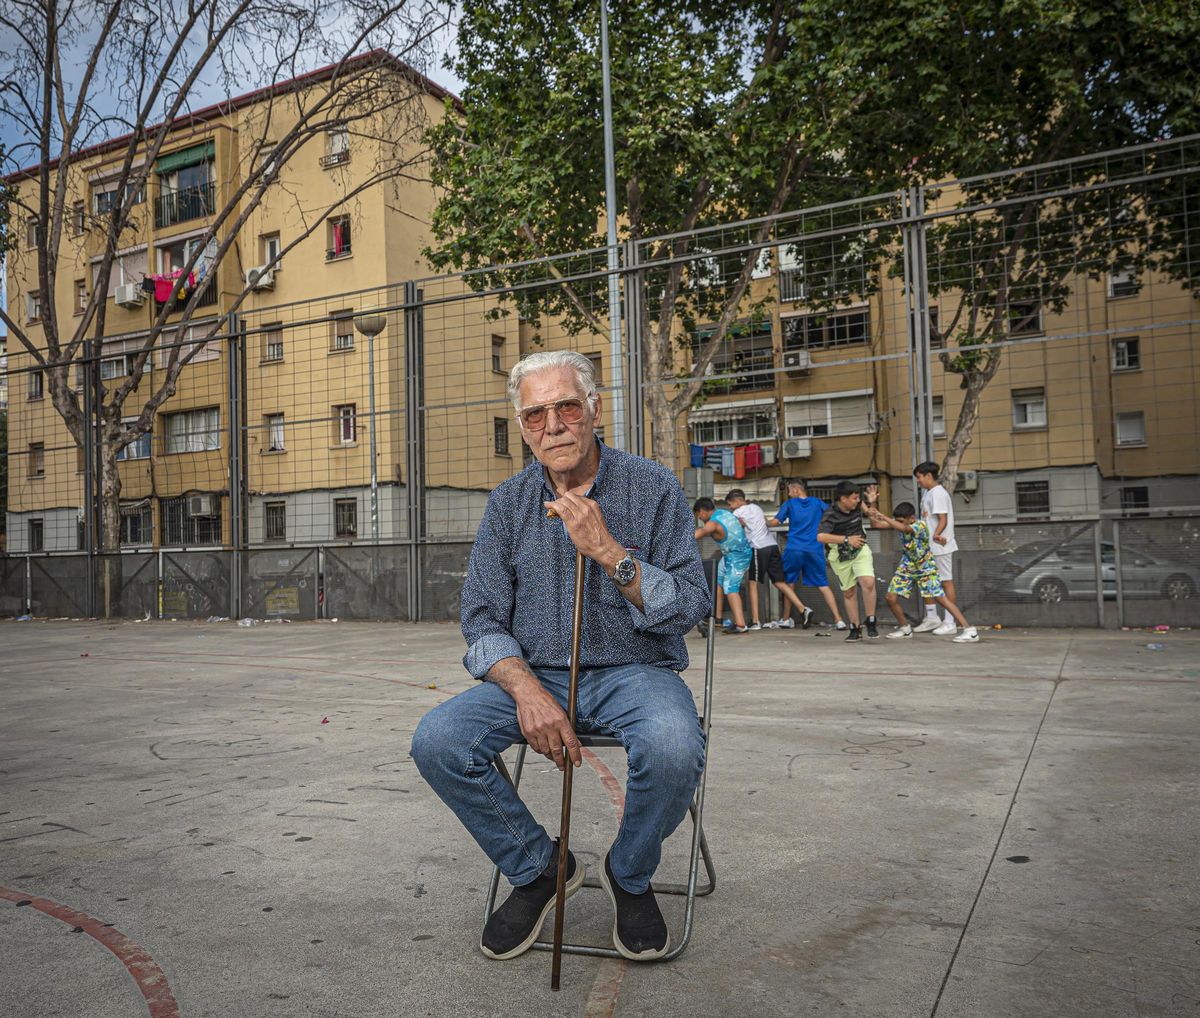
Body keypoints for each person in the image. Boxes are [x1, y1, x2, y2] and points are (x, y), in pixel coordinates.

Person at [410, 350, 709, 964]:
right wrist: (526, 692)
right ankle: (539, 866)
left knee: (675, 744)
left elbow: (689, 605)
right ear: (522, 427)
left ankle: (628, 873)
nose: (553, 425)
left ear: (594, 411)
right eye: (535, 415)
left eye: (567, 407)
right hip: (537, 673)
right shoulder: (508, 503)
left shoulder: (653, 487)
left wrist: (610, 554)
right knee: (439, 739)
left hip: (637, 670)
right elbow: (483, 619)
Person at [867, 501, 979, 643]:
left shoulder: (920, 525)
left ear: (912, 518)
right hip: (907, 565)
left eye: (901, 520)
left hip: (925, 566)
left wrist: (884, 517)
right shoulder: (899, 524)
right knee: (890, 597)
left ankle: (969, 630)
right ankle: (905, 628)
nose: (897, 523)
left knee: (940, 598)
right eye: (897, 520)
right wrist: (872, 507)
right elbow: (876, 525)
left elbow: (905, 529)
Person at [725, 488, 813, 629]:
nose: (730, 508)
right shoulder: (757, 508)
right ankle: (803, 609)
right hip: (772, 546)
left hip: (758, 548)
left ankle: (755, 621)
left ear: (737, 501)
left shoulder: (738, 512)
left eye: (730, 504)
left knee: (752, 582)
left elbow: (735, 528)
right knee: (779, 582)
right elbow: (763, 523)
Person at [768, 478, 844, 629]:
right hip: (815, 548)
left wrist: (760, 520)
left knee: (789, 583)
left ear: (796, 490)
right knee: (823, 583)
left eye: (789, 491)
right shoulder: (817, 503)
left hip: (794, 548)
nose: (789, 494)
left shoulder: (789, 504)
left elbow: (775, 522)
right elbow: (833, 514)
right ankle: (839, 620)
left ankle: (786, 619)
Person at [815, 480, 879, 641]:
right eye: (854, 498)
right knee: (849, 592)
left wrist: (872, 502)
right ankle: (855, 628)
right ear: (843, 499)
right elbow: (820, 536)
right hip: (840, 554)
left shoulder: (858, 505)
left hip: (860, 549)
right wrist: (846, 539)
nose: (858, 501)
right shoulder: (830, 514)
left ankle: (871, 621)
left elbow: (871, 514)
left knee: (868, 582)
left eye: (859, 498)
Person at [912, 461, 960, 636]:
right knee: (926, 580)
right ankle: (932, 617)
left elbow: (943, 519)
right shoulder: (928, 493)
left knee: (945, 581)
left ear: (928, 476)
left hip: (940, 546)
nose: (918, 481)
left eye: (919, 477)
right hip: (928, 547)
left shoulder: (938, 494)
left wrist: (935, 535)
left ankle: (950, 621)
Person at [693, 497, 752, 634]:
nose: (700, 518)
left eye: (699, 515)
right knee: (718, 581)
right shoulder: (724, 513)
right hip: (729, 555)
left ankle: (741, 625)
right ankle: (717, 619)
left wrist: (680, 539)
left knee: (730, 588)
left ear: (702, 511)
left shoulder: (713, 522)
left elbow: (702, 532)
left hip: (738, 557)